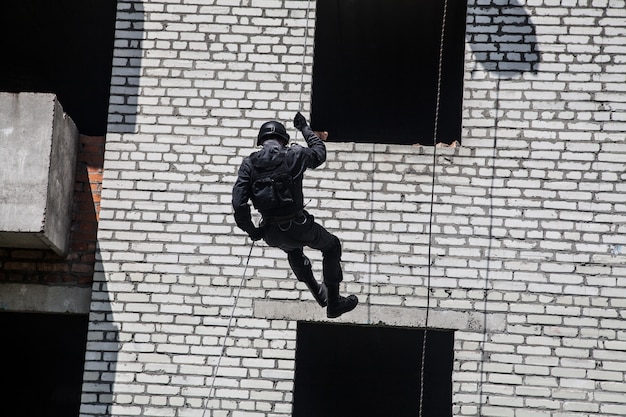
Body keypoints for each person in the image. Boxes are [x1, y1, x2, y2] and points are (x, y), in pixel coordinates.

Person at [232, 112, 358, 318]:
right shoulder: (294, 154)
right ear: (284, 140)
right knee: (331, 246)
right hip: (298, 225)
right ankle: (333, 302)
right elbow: (319, 153)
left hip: (271, 233)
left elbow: (239, 204)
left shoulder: (249, 164)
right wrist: (304, 128)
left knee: (293, 251)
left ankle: (319, 294)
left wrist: (253, 231)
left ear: (261, 141)